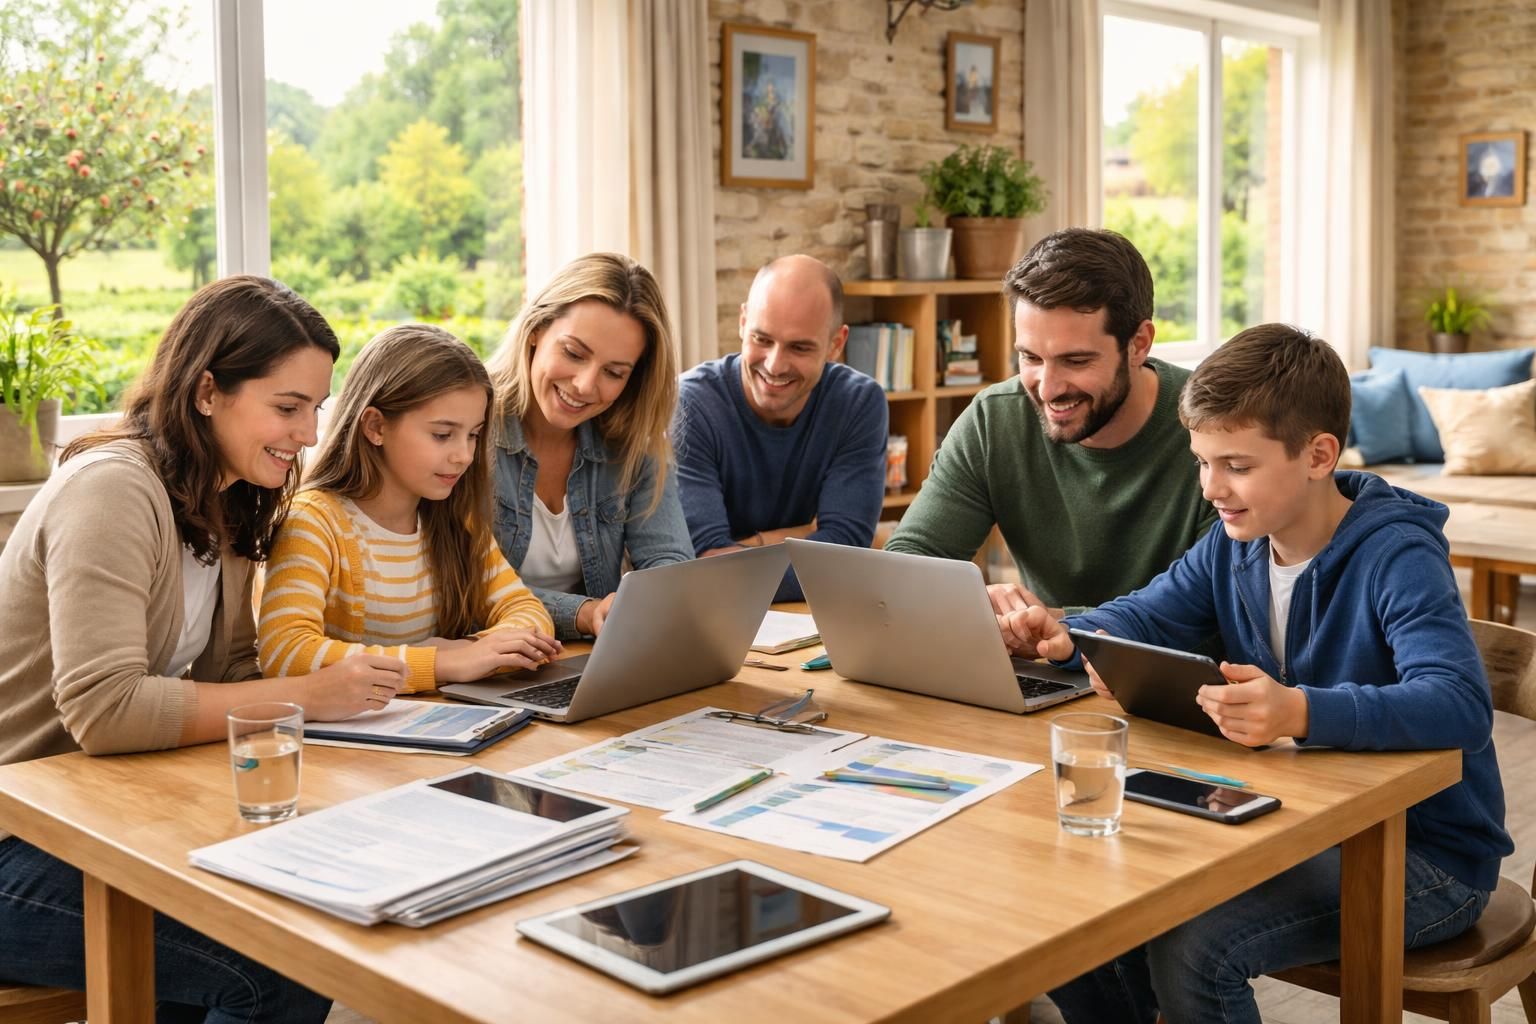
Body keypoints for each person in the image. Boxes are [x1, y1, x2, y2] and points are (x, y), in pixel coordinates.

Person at [998, 324, 1513, 1024]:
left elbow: (1458, 704)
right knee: (1088, 918)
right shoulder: (1233, 545)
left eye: (1235, 465)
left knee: (1194, 948)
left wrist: (1301, 711)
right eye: (1202, 462)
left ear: (1318, 455)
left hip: (1424, 859)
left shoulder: (1397, 557)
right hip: (1299, 824)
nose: (1212, 488)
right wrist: (1067, 635)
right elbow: (1143, 614)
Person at [0, 275, 406, 1021]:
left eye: (317, 409)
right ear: (207, 391)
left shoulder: (230, 500)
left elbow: (231, 676)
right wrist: (311, 698)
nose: (309, 434)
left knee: (308, 895)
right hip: (16, 835)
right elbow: (106, 710)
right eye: (287, 408)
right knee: (275, 961)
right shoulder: (113, 490)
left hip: (97, 812)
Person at [884, 227, 1216, 624]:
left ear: (1139, 344)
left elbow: (1210, 612)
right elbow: (903, 568)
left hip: (1176, 680)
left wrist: (1060, 623)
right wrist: (971, 600)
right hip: (1048, 668)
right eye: (1030, 358)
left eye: (1076, 361)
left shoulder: (1212, 430)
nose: (1048, 388)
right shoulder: (996, 419)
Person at [259, 324, 559, 692]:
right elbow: (285, 654)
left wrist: (470, 651)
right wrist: (440, 662)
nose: (463, 455)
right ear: (375, 427)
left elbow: (529, 613)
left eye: (474, 434)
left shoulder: (456, 520)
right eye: (442, 435)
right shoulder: (313, 522)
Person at [487, 252, 692, 640]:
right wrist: (582, 613)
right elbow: (468, 592)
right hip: (487, 660)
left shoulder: (634, 444)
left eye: (614, 373)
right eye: (573, 353)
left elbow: (669, 560)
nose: (584, 385)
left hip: (585, 660)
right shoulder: (469, 430)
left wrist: (650, 597)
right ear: (536, 330)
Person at [673, 254, 887, 603]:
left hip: (812, 617)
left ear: (836, 343)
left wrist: (744, 548)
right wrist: (801, 537)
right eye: (762, 339)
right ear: (743, 322)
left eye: (799, 347)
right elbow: (705, 566)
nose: (774, 364)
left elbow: (845, 552)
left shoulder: (859, 403)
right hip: (711, 612)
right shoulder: (691, 403)